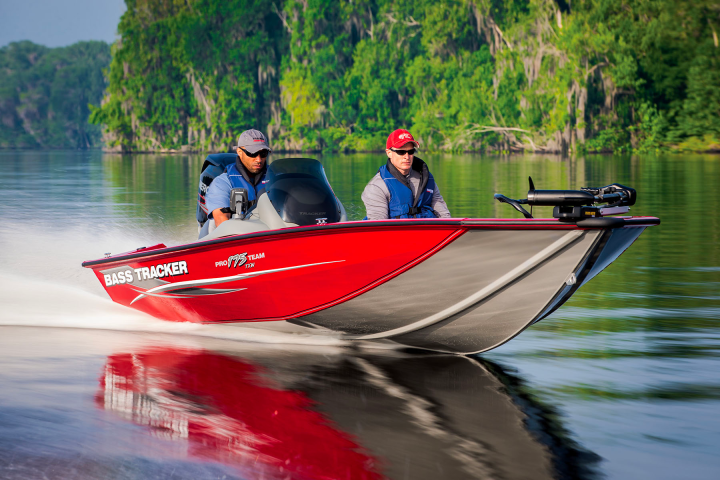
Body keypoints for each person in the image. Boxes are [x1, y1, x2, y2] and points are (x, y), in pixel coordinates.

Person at [361, 129, 451, 219]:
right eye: (401, 152)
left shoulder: (426, 179)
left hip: (426, 230)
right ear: (389, 153)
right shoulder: (377, 186)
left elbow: (444, 215)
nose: (407, 157)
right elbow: (378, 225)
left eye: (411, 152)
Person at [205, 129, 272, 227]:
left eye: (263, 154)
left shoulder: (276, 178)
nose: (258, 159)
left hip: (272, 233)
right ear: (239, 152)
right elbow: (221, 220)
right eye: (252, 153)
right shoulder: (222, 183)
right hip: (240, 235)